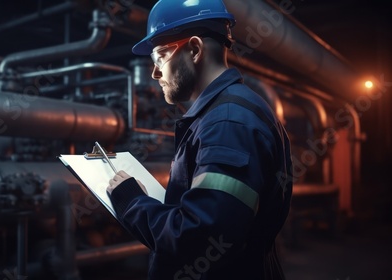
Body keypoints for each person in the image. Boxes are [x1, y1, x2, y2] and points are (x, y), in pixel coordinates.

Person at [107, 0, 293, 279]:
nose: (155, 73)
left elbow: (199, 239)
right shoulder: (224, 114)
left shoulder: (227, 123)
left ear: (194, 49)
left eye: (160, 57)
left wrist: (131, 201)